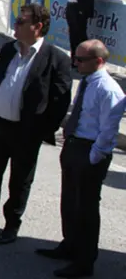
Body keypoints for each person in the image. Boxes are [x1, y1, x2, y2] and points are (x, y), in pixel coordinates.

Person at [0, 4, 72, 245]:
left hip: (26, 132)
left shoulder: (56, 59)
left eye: (20, 21)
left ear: (37, 27)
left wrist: (42, 130)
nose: (15, 25)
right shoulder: (8, 49)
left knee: (20, 180)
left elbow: (60, 101)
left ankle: (11, 223)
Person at [36, 40, 125, 278]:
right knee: (69, 200)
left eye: (81, 59)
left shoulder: (109, 90)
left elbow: (108, 129)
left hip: (90, 150)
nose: (75, 63)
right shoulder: (87, 82)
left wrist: (94, 156)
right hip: (75, 145)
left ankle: (84, 261)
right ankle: (70, 245)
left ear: (98, 61)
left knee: (85, 208)